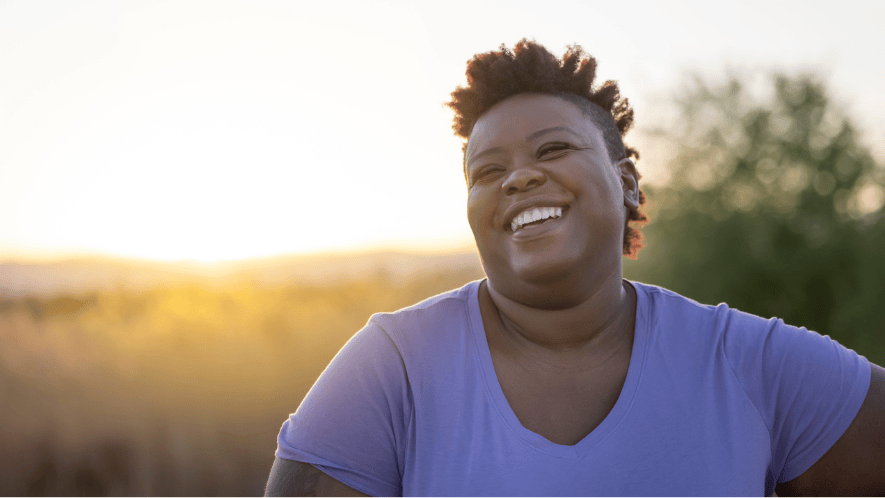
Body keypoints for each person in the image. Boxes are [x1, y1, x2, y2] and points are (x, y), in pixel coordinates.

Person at [265, 40, 885, 496]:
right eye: (487, 171)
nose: (520, 176)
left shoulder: (751, 362)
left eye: (553, 148)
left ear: (628, 185)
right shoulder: (392, 366)